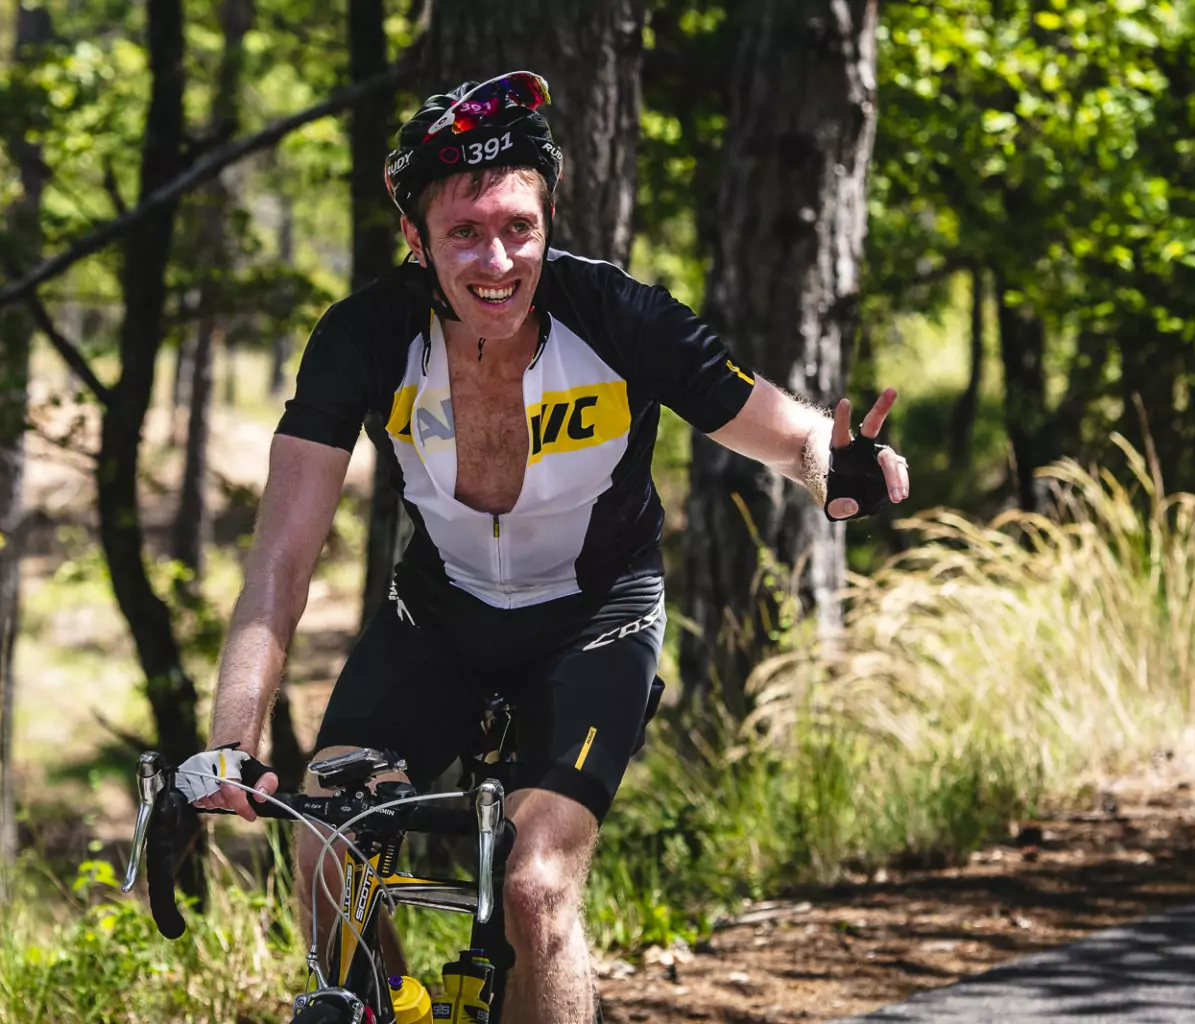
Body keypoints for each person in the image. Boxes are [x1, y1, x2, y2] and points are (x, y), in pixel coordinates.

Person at [183, 71, 910, 1023]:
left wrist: (835, 462)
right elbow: (281, 561)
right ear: (415, 238)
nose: (498, 260)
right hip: (438, 620)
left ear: (549, 219)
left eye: (519, 227)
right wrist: (233, 742)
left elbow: (786, 433)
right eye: (464, 232)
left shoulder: (616, 315)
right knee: (326, 847)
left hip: (593, 625)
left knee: (535, 891)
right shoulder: (364, 336)